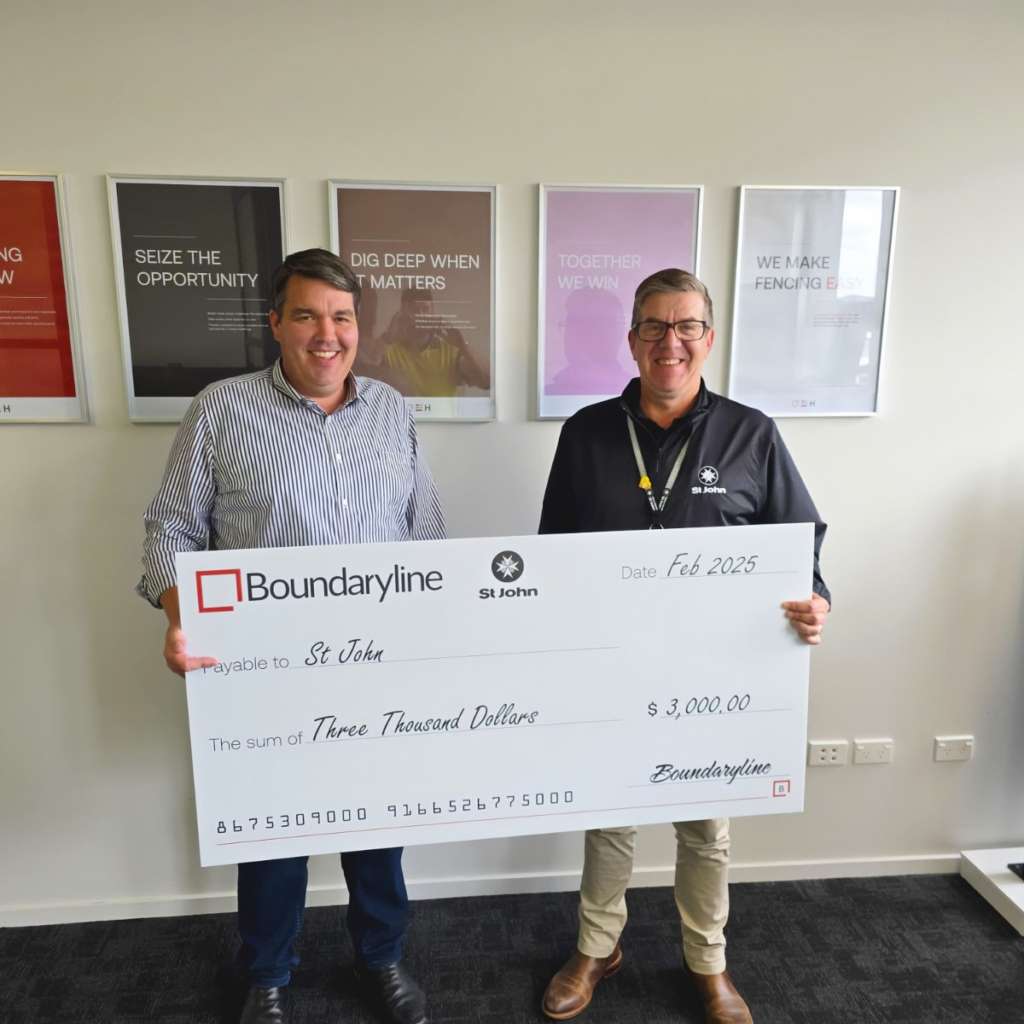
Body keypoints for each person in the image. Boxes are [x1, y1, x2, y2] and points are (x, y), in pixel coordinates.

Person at [137, 249, 444, 1024]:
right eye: (306, 315)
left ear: (358, 326)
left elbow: (426, 536)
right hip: (265, 673)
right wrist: (180, 616)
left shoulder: (391, 410)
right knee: (273, 833)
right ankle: (267, 974)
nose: (326, 334)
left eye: (341, 317)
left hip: (376, 671)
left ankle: (381, 958)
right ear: (275, 323)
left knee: (377, 827)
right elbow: (170, 528)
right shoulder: (221, 410)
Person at [538, 268, 830, 1024]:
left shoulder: (751, 434)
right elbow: (551, 552)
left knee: (705, 827)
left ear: (708, 337)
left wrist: (815, 600)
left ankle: (708, 962)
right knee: (609, 814)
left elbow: (798, 542)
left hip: (713, 674)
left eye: (686, 326)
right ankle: (597, 947)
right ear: (632, 339)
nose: (671, 342)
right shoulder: (586, 434)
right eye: (655, 326)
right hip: (612, 663)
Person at [360, 287, 490, 396]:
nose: (420, 315)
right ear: (401, 314)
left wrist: (463, 346)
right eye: (413, 310)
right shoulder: (388, 348)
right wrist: (388, 337)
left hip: (443, 420)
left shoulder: (451, 349)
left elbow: (486, 382)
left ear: (433, 312)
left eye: (425, 309)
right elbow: (362, 380)